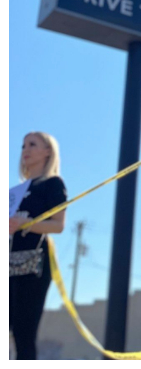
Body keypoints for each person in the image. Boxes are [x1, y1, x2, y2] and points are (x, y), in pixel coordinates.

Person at [9, 132, 67, 360]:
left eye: (33, 144)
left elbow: (58, 225)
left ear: (48, 152)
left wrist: (27, 224)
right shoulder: (13, 192)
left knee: (24, 333)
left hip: (33, 266)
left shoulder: (53, 184)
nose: (26, 149)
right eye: (23, 145)